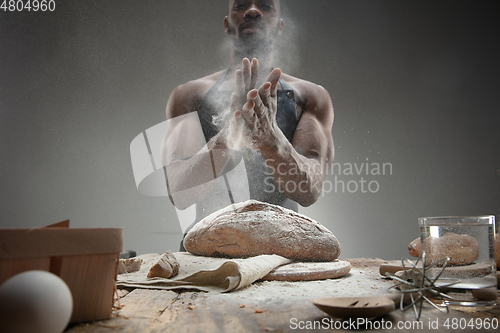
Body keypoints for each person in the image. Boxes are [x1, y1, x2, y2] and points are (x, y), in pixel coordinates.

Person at [160, 0, 334, 249]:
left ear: (280, 27)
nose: (252, 10)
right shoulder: (190, 96)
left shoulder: (310, 96)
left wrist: (271, 140)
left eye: (265, 5)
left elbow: (309, 190)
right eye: (241, 4)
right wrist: (227, 138)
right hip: (207, 254)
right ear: (226, 23)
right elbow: (180, 193)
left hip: (282, 255)